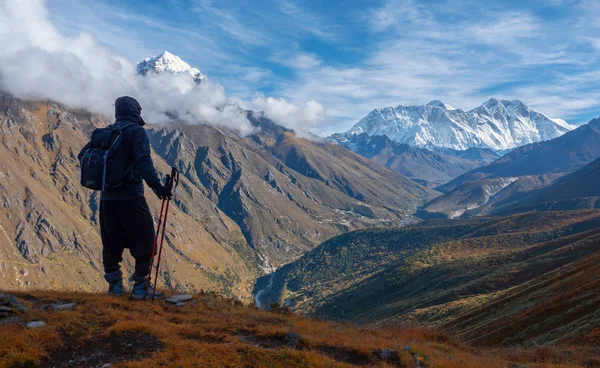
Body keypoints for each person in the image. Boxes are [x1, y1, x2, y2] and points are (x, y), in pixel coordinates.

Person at [99, 96, 172, 299]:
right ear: (134, 111)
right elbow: (143, 162)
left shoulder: (107, 132)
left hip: (106, 199)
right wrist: (157, 187)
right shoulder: (135, 131)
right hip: (131, 197)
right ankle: (141, 288)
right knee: (146, 241)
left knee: (111, 242)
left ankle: (114, 287)